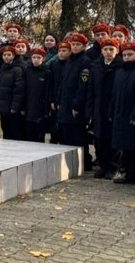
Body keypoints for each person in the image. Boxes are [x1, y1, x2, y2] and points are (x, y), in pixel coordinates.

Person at [109, 41, 135, 192]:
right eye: (125, 54)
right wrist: (111, 111)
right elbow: (114, 95)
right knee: (125, 147)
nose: (126, 57)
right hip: (121, 114)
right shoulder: (120, 72)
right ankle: (130, 174)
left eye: (130, 54)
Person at [54, 33, 92, 170]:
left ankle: (83, 164)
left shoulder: (85, 61)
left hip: (75, 106)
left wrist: (77, 105)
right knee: (65, 135)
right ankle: (69, 164)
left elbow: (83, 85)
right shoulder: (70, 61)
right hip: (64, 104)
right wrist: (58, 99)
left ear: (84, 46)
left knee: (78, 136)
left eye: (78, 45)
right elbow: (63, 82)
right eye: (73, 45)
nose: (75, 47)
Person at [88, 38, 120, 179]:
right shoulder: (95, 65)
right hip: (98, 106)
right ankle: (103, 165)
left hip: (112, 107)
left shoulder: (120, 66)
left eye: (111, 49)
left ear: (117, 51)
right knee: (99, 138)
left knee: (112, 139)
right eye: (105, 49)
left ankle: (113, 167)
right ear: (101, 51)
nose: (108, 52)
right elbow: (90, 88)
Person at [0, 45, 25, 140]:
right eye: (4, 55)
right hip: (3, 107)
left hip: (12, 108)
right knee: (5, 132)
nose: (6, 57)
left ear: (13, 56)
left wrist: (15, 106)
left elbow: (19, 90)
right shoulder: (2, 68)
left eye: (9, 54)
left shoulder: (18, 69)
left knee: (14, 133)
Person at [23, 48, 51, 143]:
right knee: (28, 134)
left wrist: (46, 109)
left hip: (40, 108)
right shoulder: (27, 71)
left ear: (43, 59)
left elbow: (48, 92)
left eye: (38, 57)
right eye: (34, 57)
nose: (36, 59)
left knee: (39, 135)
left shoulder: (47, 72)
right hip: (28, 106)